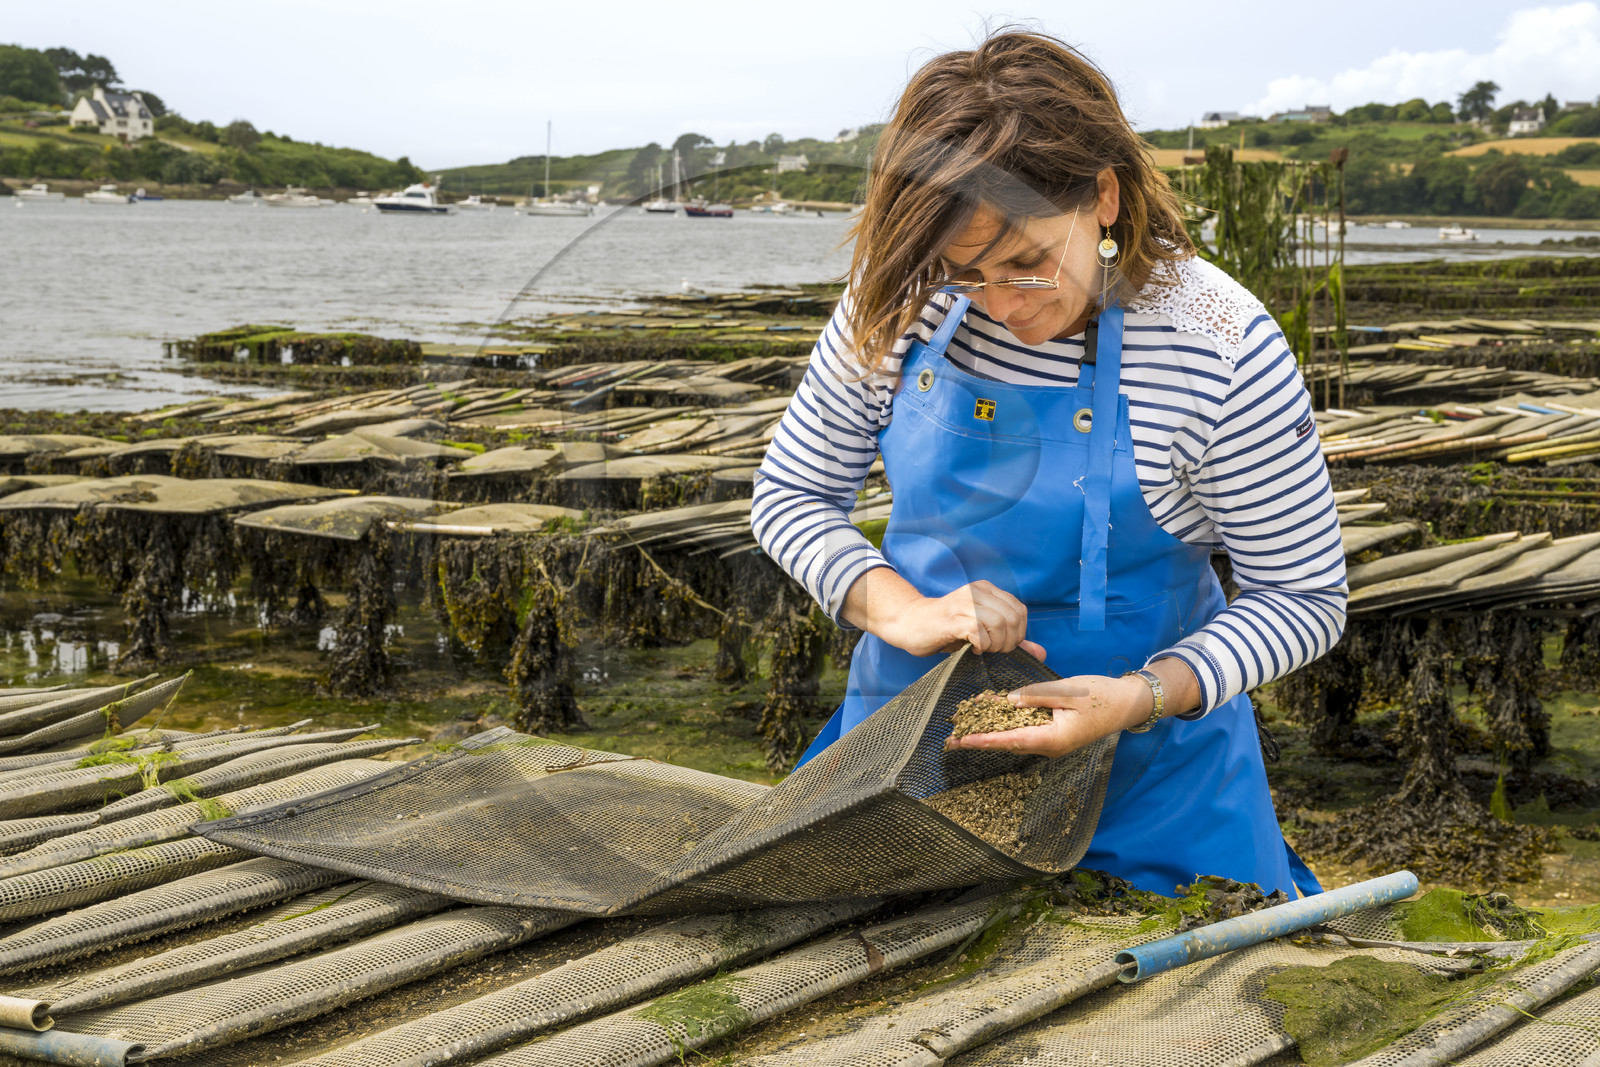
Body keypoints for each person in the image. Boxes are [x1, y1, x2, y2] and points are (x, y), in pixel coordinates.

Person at [749, 31, 1346, 898]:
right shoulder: (902, 297)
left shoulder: (1218, 344)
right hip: (908, 765)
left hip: (1152, 783)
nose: (1000, 304)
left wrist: (1141, 696)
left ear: (1103, 195)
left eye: (1027, 262)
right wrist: (901, 608)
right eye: (967, 273)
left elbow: (1305, 598)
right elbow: (792, 495)